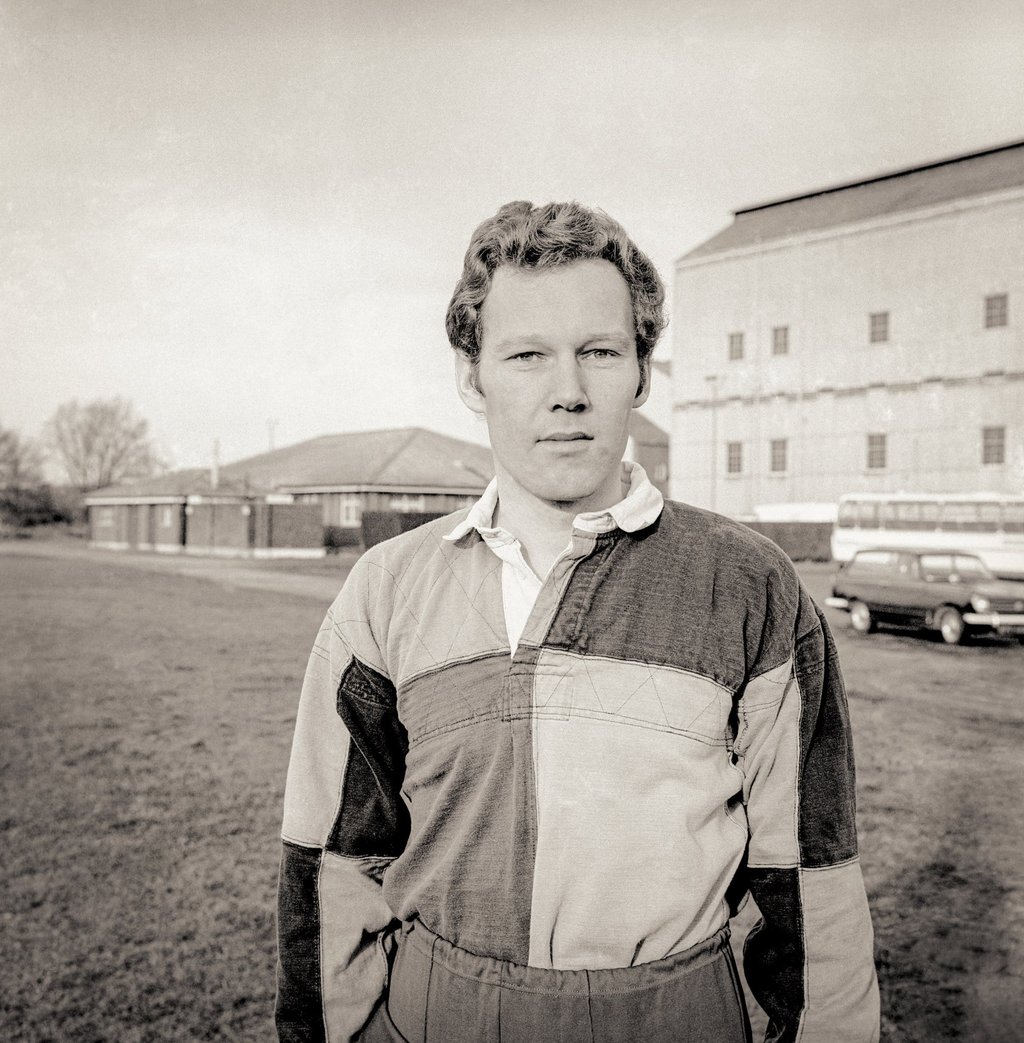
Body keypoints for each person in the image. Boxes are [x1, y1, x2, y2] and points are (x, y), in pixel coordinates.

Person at [275, 201, 880, 1042]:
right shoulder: (385, 590)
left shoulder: (751, 587)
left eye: (599, 351)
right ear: (470, 373)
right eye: (527, 356)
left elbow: (813, 884)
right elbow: (330, 863)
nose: (568, 392)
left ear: (639, 370)